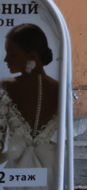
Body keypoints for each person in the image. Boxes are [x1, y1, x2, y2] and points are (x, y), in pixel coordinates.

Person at [0, 23, 59, 190]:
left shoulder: (6, 87)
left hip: (15, 174)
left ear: (31, 56)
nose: (5, 59)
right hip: (49, 170)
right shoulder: (59, 89)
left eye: (11, 54)